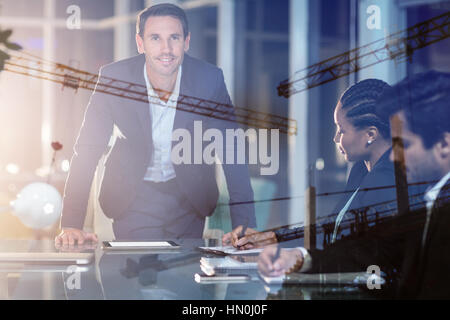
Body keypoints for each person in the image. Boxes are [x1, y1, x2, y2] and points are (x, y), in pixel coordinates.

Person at [55, 3, 256, 245]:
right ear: (141, 44)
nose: (166, 49)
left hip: (188, 197)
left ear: (187, 41)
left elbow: (232, 151)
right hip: (132, 196)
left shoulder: (209, 80)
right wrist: (72, 224)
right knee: (133, 275)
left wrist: (244, 226)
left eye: (174, 38)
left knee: (184, 276)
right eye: (155, 38)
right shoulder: (114, 78)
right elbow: (87, 150)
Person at [258, 70, 450, 299]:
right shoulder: (433, 198)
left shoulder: (405, 188)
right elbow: (369, 251)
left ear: (443, 145)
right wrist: (299, 255)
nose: (394, 156)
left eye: (405, 144)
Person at [232, 79, 395, 249]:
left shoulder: (387, 180)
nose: (336, 138)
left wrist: (301, 260)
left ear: (370, 134)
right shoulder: (361, 170)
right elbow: (330, 230)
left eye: (342, 130)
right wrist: (271, 238)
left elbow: (360, 252)